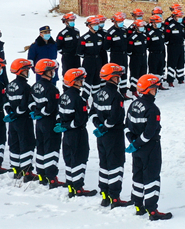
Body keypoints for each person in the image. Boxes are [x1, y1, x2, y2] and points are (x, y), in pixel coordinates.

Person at [127, 73, 172, 220]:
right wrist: (138, 143)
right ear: (150, 89)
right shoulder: (153, 109)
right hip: (150, 148)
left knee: (138, 176)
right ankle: (152, 210)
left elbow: (127, 127)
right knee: (152, 177)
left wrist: (133, 143)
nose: (156, 90)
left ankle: (138, 206)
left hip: (136, 148)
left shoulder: (133, 105)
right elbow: (149, 133)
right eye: (155, 88)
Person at [93, 63, 131, 208]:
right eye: (118, 76)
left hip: (101, 136)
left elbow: (93, 114)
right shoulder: (116, 95)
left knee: (104, 164)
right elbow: (116, 117)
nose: (119, 78)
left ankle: (105, 196)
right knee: (116, 164)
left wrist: (100, 127)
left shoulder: (98, 94)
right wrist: (106, 127)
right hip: (114, 135)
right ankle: (115, 198)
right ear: (112, 78)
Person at [56, 68, 97, 197]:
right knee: (79, 158)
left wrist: (63, 125)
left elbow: (59, 114)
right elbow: (81, 120)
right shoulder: (78, 99)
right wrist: (70, 125)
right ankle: (78, 188)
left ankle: (70, 186)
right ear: (74, 82)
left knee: (69, 159)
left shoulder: (63, 96)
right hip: (77, 134)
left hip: (66, 135)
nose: (82, 81)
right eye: (80, 79)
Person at [29, 58, 64, 188]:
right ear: (47, 72)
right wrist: (43, 112)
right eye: (52, 70)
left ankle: (41, 175)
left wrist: (36, 112)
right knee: (51, 149)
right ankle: (51, 177)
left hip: (39, 123)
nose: (54, 72)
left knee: (41, 147)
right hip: (50, 123)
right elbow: (51, 108)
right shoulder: (52, 89)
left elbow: (31, 103)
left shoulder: (34, 86)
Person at [5, 58, 37, 180]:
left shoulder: (10, 85)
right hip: (24, 120)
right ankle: (27, 172)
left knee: (14, 144)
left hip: (12, 121)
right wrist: (17, 113)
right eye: (26, 69)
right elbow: (24, 105)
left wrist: (11, 113)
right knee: (26, 144)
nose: (28, 71)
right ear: (21, 71)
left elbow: (6, 102)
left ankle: (16, 170)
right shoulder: (26, 87)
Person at [78, 15, 107, 100]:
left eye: (97, 24)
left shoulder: (100, 37)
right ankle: (85, 98)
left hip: (98, 61)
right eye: (94, 25)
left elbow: (102, 49)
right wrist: (88, 57)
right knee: (88, 80)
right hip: (88, 62)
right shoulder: (84, 38)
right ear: (89, 26)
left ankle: (96, 98)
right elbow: (79, 52)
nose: (96, 26)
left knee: (97, 80)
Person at [106, 12, 130, 94]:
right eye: (119, 21)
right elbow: (107, 46)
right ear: (115, 22)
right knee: (115, 73)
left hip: (124, 55)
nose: (121, 23)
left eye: (122, 21)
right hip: (116, 56)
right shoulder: (111, 32)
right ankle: (114, 91)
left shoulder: (124, 30)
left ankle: (123, 92)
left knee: (124, 73)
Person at [164, 5, 185, 86]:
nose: (180, 18)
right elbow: (166, 38)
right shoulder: (170, 27)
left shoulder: (181, 26)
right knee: (172, 63)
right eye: (179, 17)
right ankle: (170, 80)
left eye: (181, 17)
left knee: (181, 62)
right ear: (174, 17)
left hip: (181, 46)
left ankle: (180, 79)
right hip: (173, 47)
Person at [127, 17, 149, 94]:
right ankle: (134, 90)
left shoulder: (144, 36)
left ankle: (142, 88)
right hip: (135, 58)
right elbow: (129, 49)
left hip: (143, 57)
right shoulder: (132, 38)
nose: (142, 28)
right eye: (140, 26)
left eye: (143, 26)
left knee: (143, 73)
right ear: (136, 27)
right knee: (135, 74)